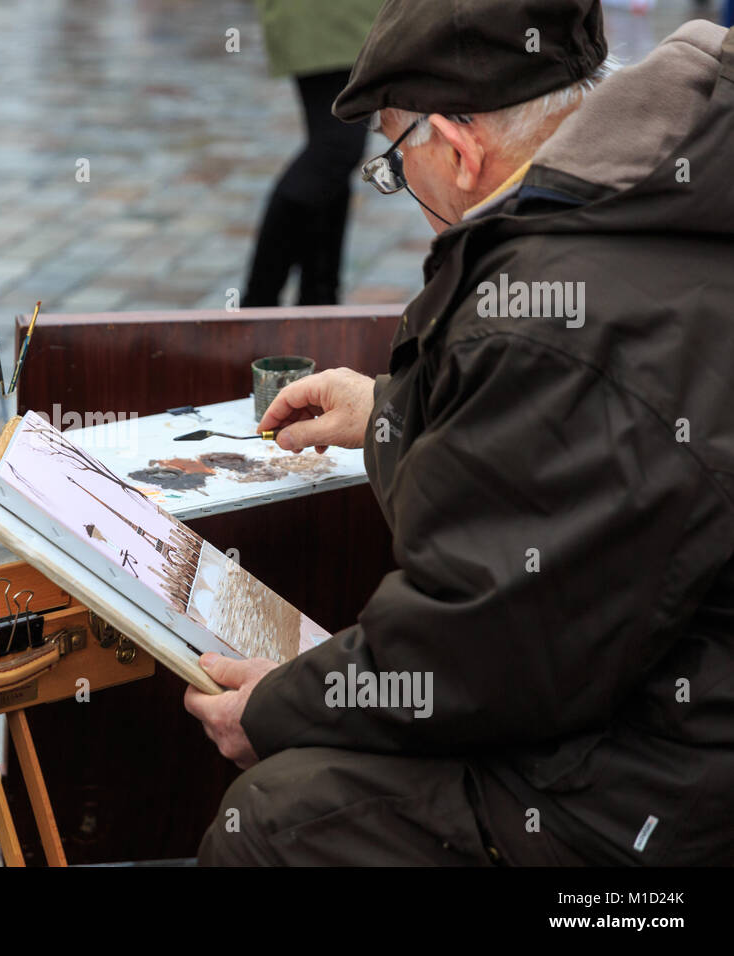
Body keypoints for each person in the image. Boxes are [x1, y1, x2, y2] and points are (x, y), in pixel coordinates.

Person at [187, 0, 734, 865]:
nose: (405, 191)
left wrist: (275, 709)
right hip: (682, 714)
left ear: (457, 144)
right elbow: (563, 468)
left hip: (662, 809)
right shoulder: (668, 189)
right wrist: (388, 414)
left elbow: (479, 651)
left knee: (274, 821)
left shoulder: (548, 309)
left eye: (397, 166)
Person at [242, 0, 383, 307]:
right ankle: (257, 306)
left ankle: (318, 304)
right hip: (330, 15)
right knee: (336, 148)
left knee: (332, 150)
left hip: (342, 15)